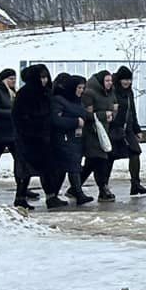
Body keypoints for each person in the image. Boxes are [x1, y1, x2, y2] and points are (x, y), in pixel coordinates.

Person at [51, 73, 95, 207]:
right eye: (79, 88)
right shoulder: (59, 100)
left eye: (83, 88)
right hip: (65, 138)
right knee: (71, 166)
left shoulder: (77, 101)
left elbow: (83, 114)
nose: (81, 91)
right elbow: (56, 120)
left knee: (73, 166)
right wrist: (75, 122)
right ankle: (75, 192)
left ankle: (69, 192)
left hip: (77, 139)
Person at [12, 64, 54, 207]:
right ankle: (20, 197)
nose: (44, 80)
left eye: (46, 77)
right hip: (28, 138)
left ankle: (51, 196)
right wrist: (30, 130)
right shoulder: (25, 93)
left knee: (46, 168)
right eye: (41, 77)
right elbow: (18, 116)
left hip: (44, 136)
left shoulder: (46, 92)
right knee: (26, 169)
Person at [82, 69, 121, 201]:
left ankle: (76, 187)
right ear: (100, 81)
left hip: (105, 131)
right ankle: (103, 189)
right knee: (101, 160)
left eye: (111, 80)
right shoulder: (89, 93)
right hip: (92, 132)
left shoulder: (111, 92)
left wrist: (112, 116)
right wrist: (103, 115)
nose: (110, 83)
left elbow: (115, 107)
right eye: (107, 80)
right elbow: (87, 114)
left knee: (92, 162)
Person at [112, 67, 146, 195]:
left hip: (127, 129)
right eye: (124, 79)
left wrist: (136, 129)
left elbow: (132, 112)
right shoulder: (113, 91)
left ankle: (136, 184)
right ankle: (102, 187)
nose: (127, 82)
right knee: (107, 158)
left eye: (129, 79)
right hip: (114, 129)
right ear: (119, 79)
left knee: (135, 152)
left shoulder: (129, 93)